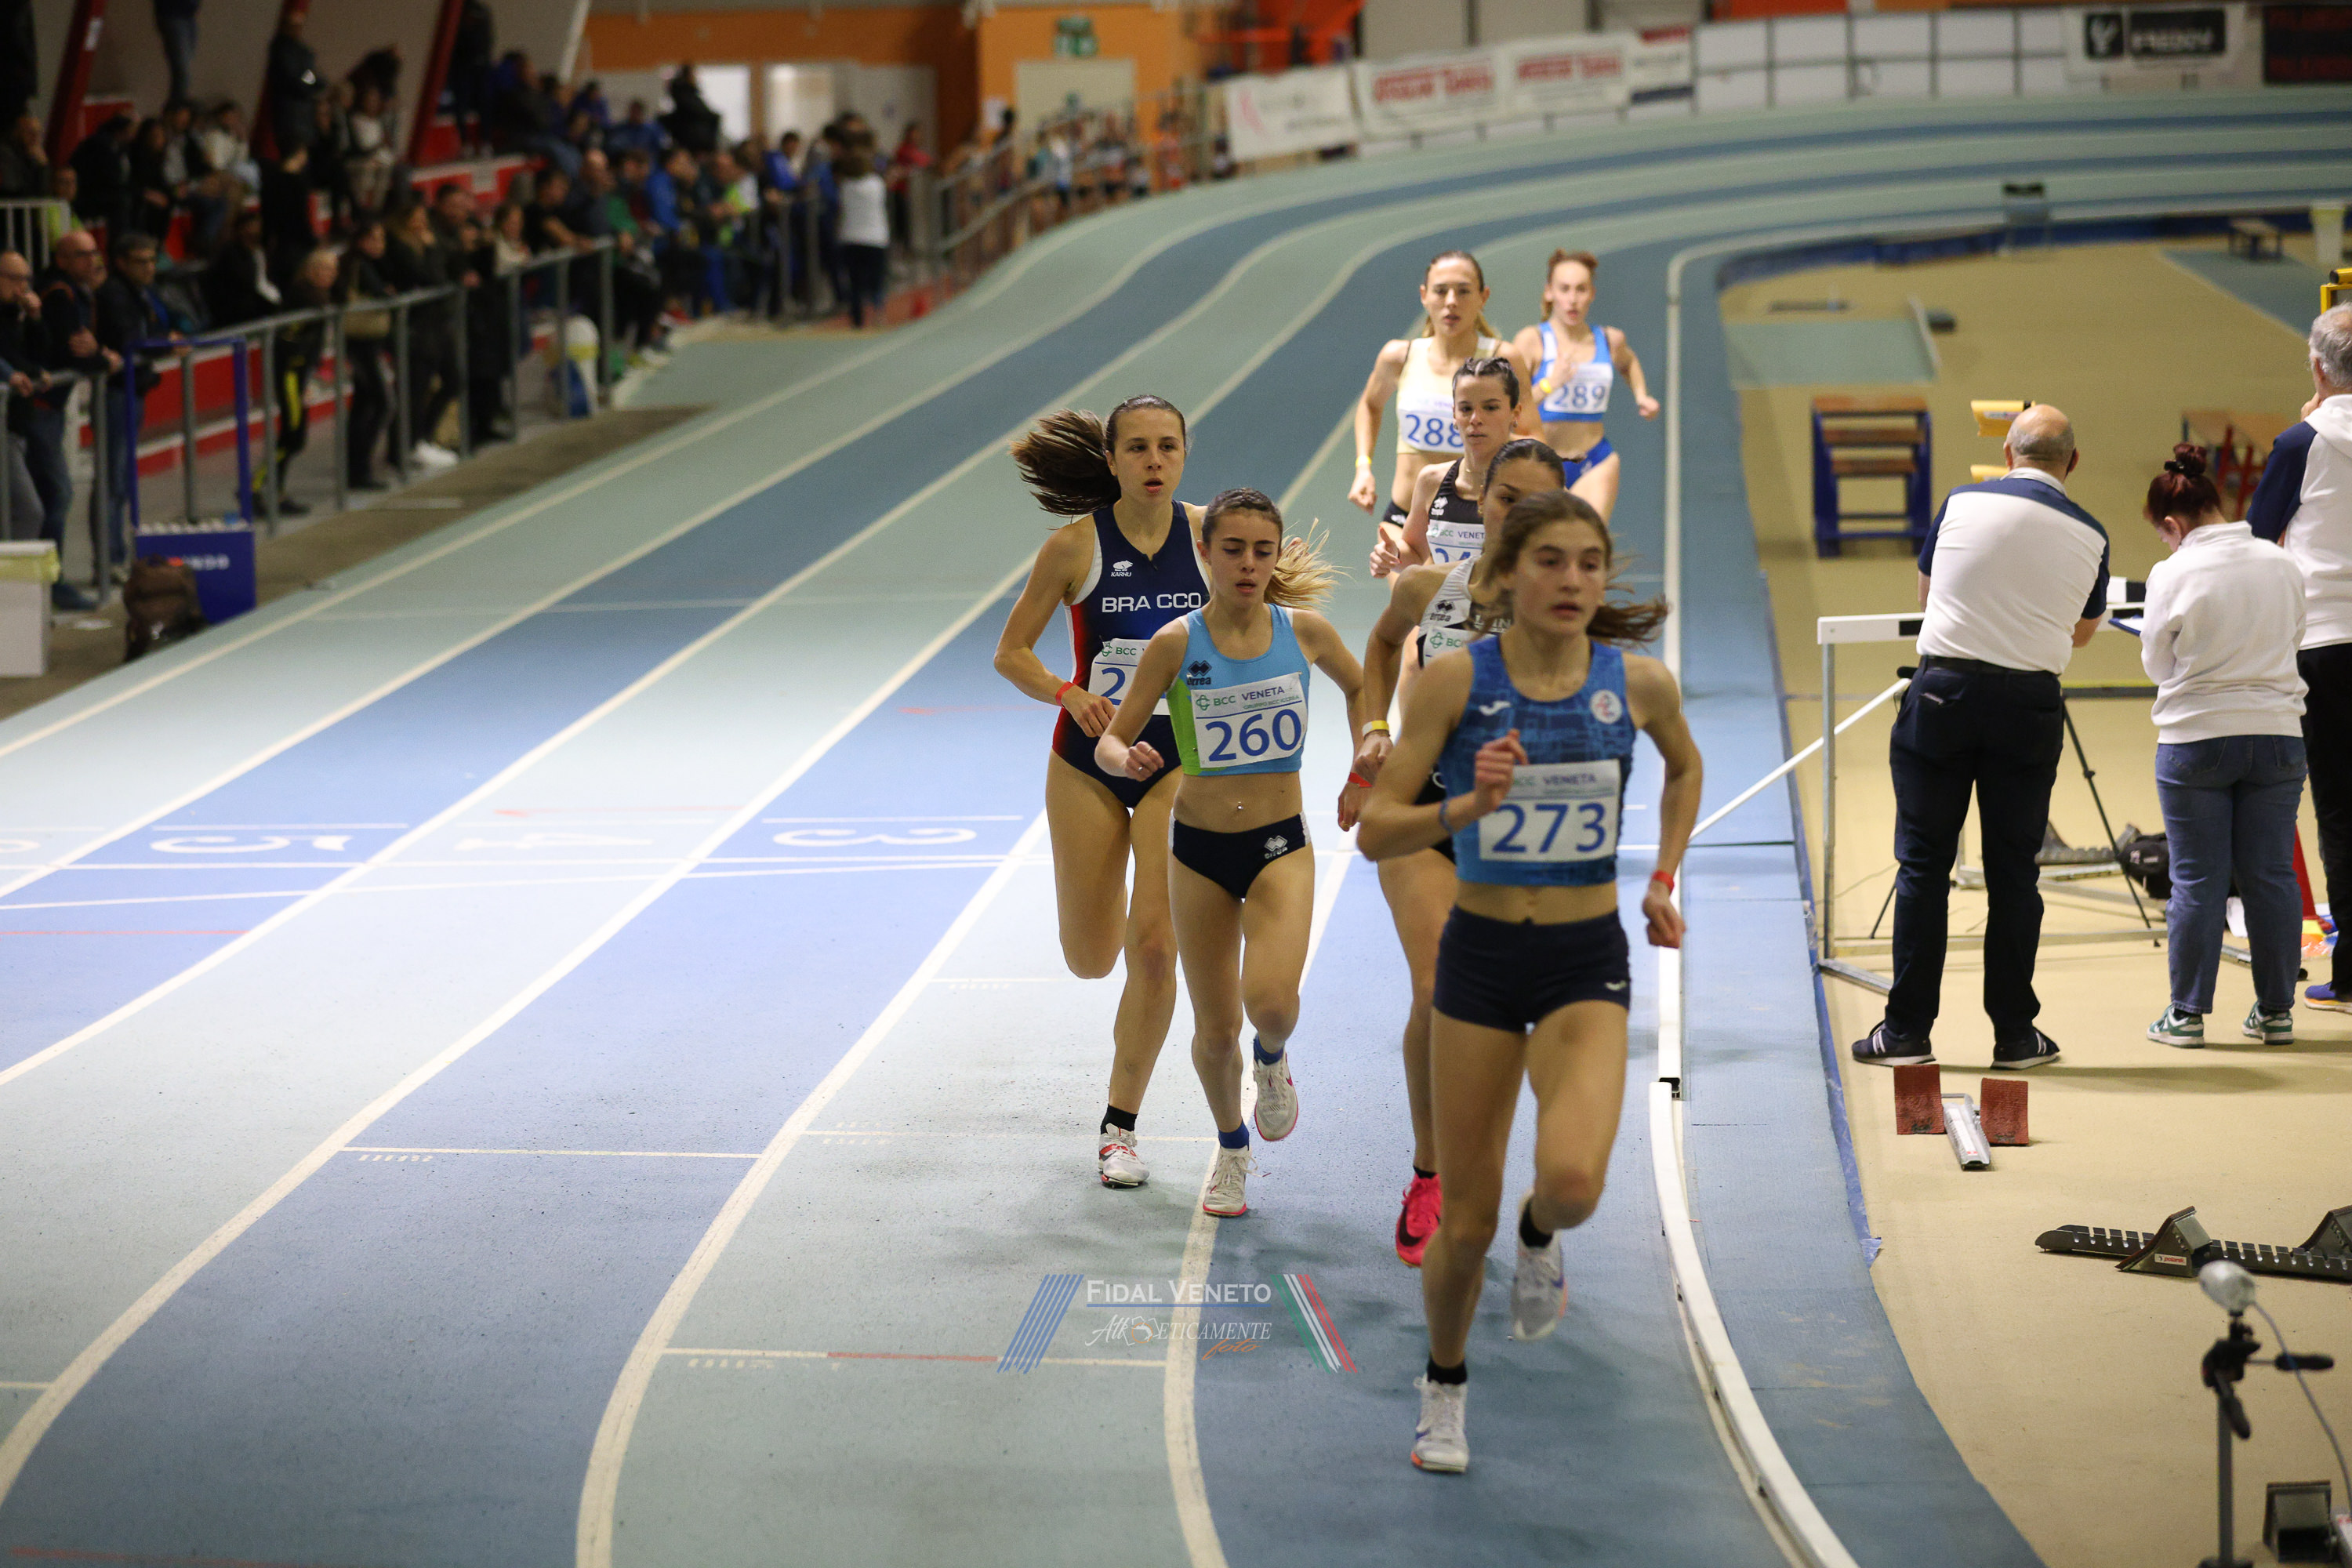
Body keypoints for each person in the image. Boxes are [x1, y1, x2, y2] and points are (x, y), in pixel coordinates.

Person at [1358, 487, 1699, 1475]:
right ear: (1506, 575)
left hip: (1584, 962)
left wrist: (1664, 876)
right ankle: (1444, 1386)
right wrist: (1467, 806)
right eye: (1550, 560)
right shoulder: (1455, 683)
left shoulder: (1639, 683)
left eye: (1589, 563)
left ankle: (1542, 1231)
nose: (1572, 580)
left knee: (1574, 1183)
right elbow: (1377, 827)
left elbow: (1684, 769)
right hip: (1483, 962)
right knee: (1465, 1225)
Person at [1094, 488, 1367, 1219]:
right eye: (1234, 550)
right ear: (1206, 554)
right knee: (1215, 1033)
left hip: (1280, 846)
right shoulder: (1175, 643)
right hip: (1198, 854)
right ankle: (1232, 1149)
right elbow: (1113, 739)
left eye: (1262, 551)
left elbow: (1361, 687)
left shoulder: (1304, 633)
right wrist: (1125, 760)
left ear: (1276, 557)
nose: (1249, 564)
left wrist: (1366, 760)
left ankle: (1272, 1059)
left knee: (1269, 1006)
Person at [1356, 436, 1566, 1265]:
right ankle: (1429, 1171)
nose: (1517, 514)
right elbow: (1381, 646)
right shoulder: (1429, 588)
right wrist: (1375, 731)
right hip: (1426, 814)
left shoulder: (1573, 607)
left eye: (1537, 502)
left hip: (1519, 837)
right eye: (1505, 498)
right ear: (1483, 504)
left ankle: (1514, 1175)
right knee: (1436, 987)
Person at [1849, 405, 2107, 1072]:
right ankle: (2015, 1036)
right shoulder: (2092, 534)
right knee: (2015, 876)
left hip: (1943, 695)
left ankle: (1906, 1032)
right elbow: (2083, 632)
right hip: (2028, 706)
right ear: (2073, 463)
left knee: (1924, 866)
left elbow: (1928, 594)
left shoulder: (1961, 502)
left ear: (2009, 456)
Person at [993, 398, 1200, 1189]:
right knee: (1090, 957)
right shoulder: (1074, 546)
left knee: (1155, 947)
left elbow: (1262, 627)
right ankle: (1110, 903)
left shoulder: (1210, 538)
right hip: (1086, 761)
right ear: (1111, 460)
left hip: (1176, 760)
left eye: (1168, 446)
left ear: (1185, 454)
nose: (1154, 461)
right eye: (1138, 448)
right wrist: (1067, 692)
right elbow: (1011, 652)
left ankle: (1120, 1127)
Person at [2136, 446, 2307, 1047]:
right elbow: (2296, 637)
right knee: (2272, 876)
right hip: (2278, 736)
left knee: (2197, 881)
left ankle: (2186, 1016)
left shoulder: (2172, 572)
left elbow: (2157, 665)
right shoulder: (2282, 562)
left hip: (2196, 740)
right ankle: (2277, 1012)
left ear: (2173, 525)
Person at [2250, 303, 2352, 1013]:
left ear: (2318, 367)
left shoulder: (2301, 443)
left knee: (2341, 810)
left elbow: (2257, 540)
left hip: (2327, 643)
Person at [1348, 250, 1532, 573]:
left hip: (1474, 523)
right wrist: (1363, 466)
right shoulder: (1399, 357)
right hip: (1405, 521)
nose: (1451, 302)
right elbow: (1370, 405)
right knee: (1412, 605)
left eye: (1463, 291)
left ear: (1483, 297)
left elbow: (1533, 436)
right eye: (1440, 291)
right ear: (1424, 296)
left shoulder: (1503, 360)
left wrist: (1483, 443)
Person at [1510, 249, 1658, 521]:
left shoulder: (1610, 340)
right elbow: (1509, 411)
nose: (1573, 299)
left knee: (1588, 539)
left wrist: (1641, 395)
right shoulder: (1531, 342)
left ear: (1592, 294)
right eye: (1564, 289)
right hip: (1541, 463)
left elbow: (1628, 362)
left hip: (1595, 460)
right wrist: (1549, 385)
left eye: (1581, 289)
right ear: (1549, 292)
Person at [94, 231, 180, 553]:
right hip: (117, 393)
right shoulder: (115, 294)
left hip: (132, 391)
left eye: (152, 261)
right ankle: (110, 559)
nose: (149, 268)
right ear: (121, 263)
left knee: (122, 479)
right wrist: (166, 344)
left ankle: (116, 554)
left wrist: (164, 340)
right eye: (140, 262)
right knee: (114, 480)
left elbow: (151, 331)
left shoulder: (141, 292)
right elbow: (131, 340)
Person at [267, 246, 338, 515]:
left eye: (332, 269)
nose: (328, 274)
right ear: (309, 270)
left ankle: (272, 490)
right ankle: (259, 487)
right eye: (322, 268)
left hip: (302, 372)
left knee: (295, 437)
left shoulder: (320, 296)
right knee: (292, 435)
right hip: (289, 372)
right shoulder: (303, 293)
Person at [336, 218, 395, 489]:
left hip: (365, 343)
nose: (381, 245)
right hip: (361, 343)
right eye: (375, 238)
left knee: (365, 403)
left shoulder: (366, 263)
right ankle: (359, 468)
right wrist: (385, 291)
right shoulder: (358, 264)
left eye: (383, 239)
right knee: (378, 403)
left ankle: (359, 469)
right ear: (361, 241)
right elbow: (382, 293)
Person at [1, 249, 49, 543]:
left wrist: (36, 318)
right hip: (4, 427)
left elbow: (41, 356)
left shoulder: (15, 314)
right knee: (30, 511)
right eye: (14, 279)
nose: (22, 288)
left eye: (26, 280)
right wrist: (25, 372)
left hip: (17, 424)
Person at [834, 143, 888, 329]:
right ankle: (878, 315)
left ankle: (857, 320)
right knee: (877, 280)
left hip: (851, 238)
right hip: (875, 239)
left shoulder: (846, 186)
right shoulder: (876, 184)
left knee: (855, 282)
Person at [266, 8, 321, 155]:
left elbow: (313, 76)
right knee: (292, 154)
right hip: (289, 114)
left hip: (304, 114)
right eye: (293, 26)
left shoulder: (303, 51)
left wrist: (309, 79)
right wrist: (308, 80)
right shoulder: (281, 49)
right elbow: (295, 78)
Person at [154, 0, 201, 112]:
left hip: (189, 15)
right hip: (172, 14)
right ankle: (177, 110)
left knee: (186, 67)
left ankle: (179, 108)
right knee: (182, 70)